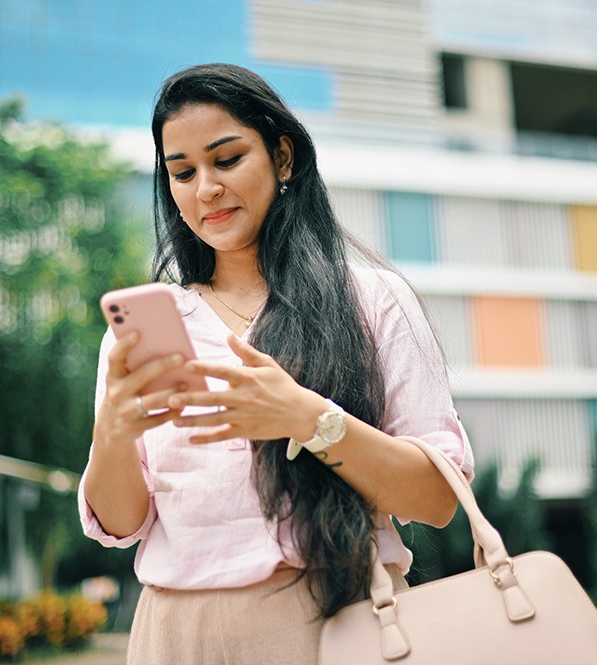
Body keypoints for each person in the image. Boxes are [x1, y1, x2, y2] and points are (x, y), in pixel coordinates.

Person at [78, 63, 474, 664]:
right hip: (177, 634)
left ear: (283, 158)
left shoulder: (371, 301)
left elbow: (437, 500)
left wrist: (309, 419)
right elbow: (122, 521)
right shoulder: (149, 330)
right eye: (181, 172)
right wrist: (114, 430)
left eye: (227, 159)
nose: (204, 187)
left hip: (339, 623)